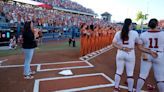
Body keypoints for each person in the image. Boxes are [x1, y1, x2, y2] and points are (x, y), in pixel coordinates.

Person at [136, 18, 164, 92]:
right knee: (160, 78)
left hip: (146, 54)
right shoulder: (163, 34)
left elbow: (139, 47)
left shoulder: (143, 34)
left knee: (142, 75)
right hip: (159, 55)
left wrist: (150, 51)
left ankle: (137, 90)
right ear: (157, 25)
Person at [112, 18, 139, 92]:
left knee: (118, 71)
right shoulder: (134, 33)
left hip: (120, 52)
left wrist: (123, 48)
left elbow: (114, 43)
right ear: (130, 24)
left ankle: (116, 87)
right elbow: (138, 43)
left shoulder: (119, 33)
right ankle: (130, 90)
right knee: (130, 73)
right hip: (130, 53)